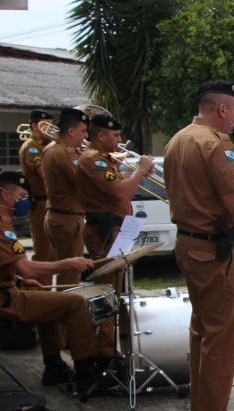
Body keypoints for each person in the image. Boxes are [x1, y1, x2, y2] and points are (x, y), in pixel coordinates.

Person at [163, 80, 234, 411]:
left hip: (189, 243)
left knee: (202, 333)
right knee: (221, 337)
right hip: (213, 249)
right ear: (220, 109)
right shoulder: (217, 143)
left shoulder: (178, 139)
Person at [0, 171, 100, 388]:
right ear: (5, 195)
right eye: (22, 195)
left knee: (47, 302)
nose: (27, 201)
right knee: (75, 303)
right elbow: (27, 267)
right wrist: (69, 263)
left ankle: (54, 367)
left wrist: (18, 282)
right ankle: (86, 373)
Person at [76, 114, 154, 370]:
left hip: (118, 230)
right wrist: (140, 171)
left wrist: (134, 173)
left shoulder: (104, 159)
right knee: (107, 293)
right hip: (105, 232)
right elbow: (119, 191)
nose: (120, 141)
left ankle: (111, 349)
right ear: (101, 136)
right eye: (116, 136)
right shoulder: (92, 159)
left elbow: (120, 182)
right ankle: (104, 355)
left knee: (116, 291)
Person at [18, 109, 63, 363]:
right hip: (41, 206)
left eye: (51, 125)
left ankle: (56, 319)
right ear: (34, 126)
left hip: (53, 205)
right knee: (44, 261)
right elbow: (47, 175)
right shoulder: (34, 148)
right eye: (44, 125)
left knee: (58, 260)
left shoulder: (47, 146)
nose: (49, 129)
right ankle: (44, 315)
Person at [44, 108, 89, 289]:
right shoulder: (65, 153)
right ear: (71, 131)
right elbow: (86, 182)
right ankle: (67, 315)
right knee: (70, 277)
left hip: (60, 216)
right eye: (83, 131)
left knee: (66, 273)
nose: (86, 136)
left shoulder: (52, 149)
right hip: (68, 219)